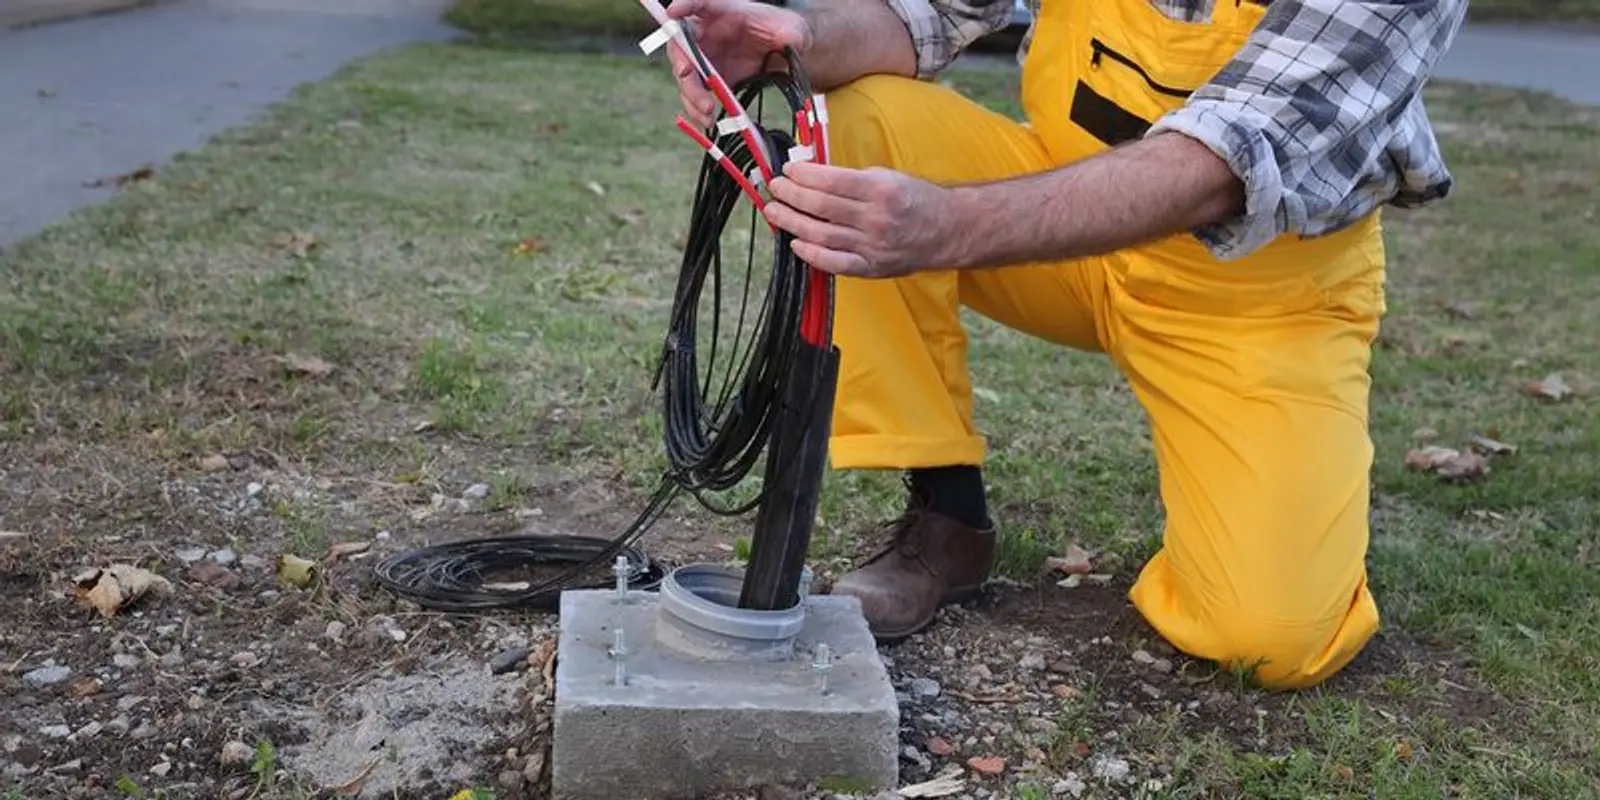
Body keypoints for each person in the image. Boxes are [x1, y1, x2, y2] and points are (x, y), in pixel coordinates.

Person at [657, 0, 1466, 690]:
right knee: (853, 120)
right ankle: (949, 520)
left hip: (1260, 290)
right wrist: (796, 37)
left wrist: (947, 225)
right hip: (1065, 213)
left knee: (1272, 636)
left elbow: (1231, 161)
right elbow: (926, 13)